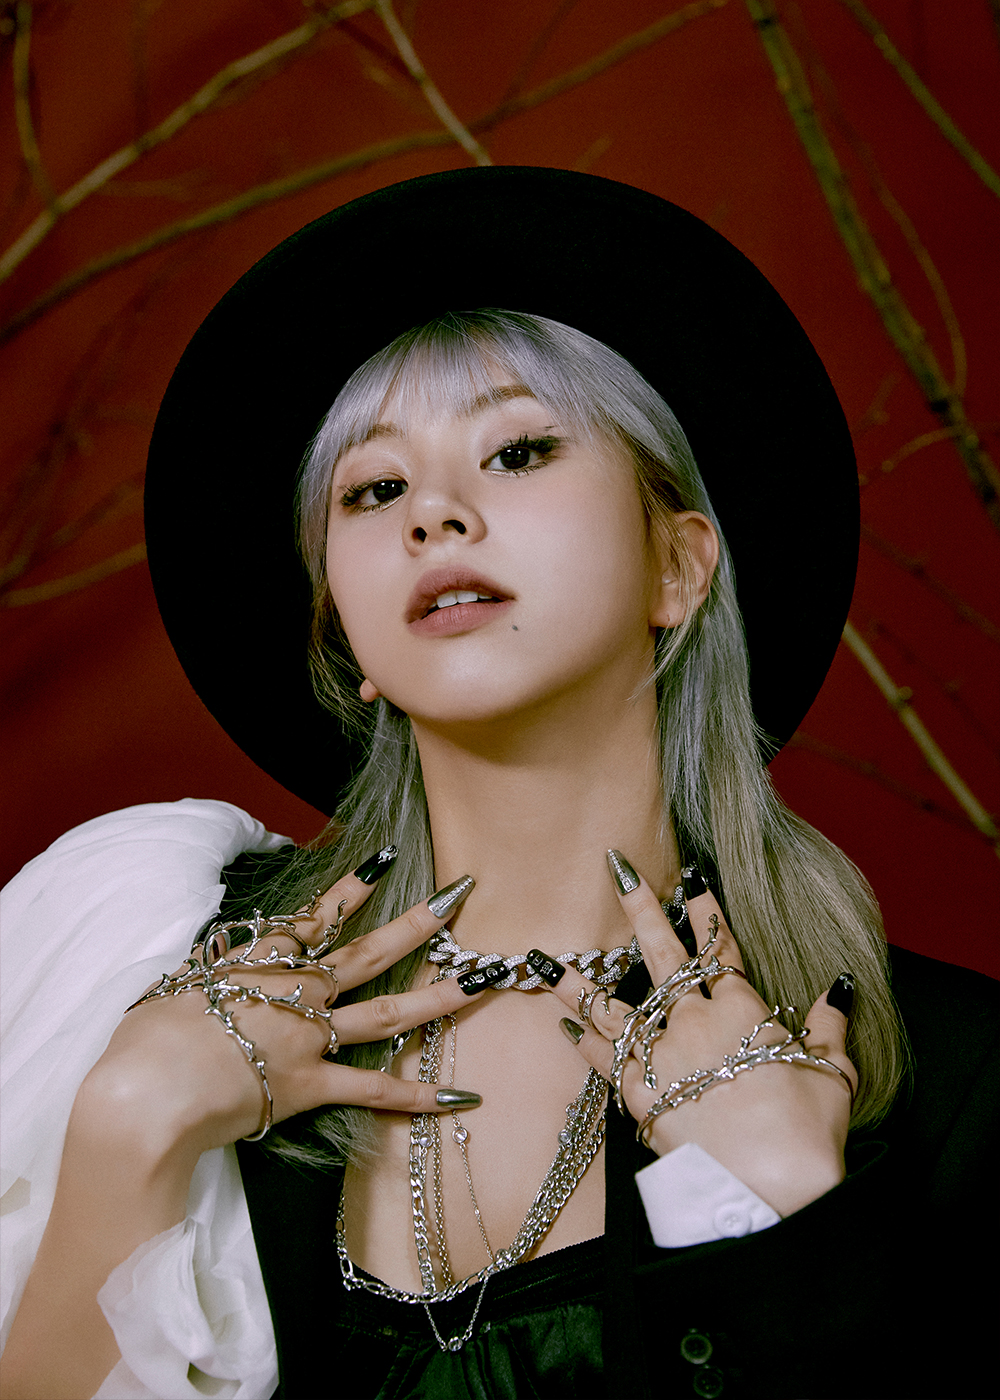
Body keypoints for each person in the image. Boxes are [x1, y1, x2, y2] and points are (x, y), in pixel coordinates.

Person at [0, 169, 995, 1400]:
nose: (432, 515)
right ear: (345, 636)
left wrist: (780, 1223)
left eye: (517, 450)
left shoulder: (951, 1075)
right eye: (375, 489)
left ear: (676, 566)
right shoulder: (153, 962)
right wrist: (130, 1119)